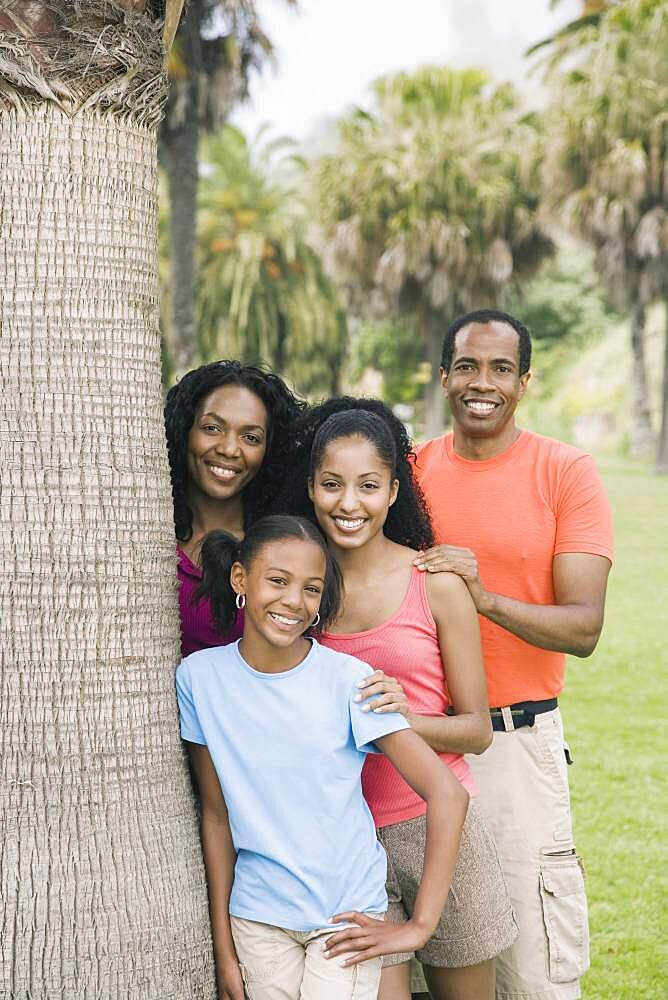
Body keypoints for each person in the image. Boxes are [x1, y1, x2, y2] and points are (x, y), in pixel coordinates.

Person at [175, 515, 469, 1000]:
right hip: (259, 917)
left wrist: (419, 926)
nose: (294, 601)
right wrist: (224, 950)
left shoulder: (348, 680)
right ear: (240, 579)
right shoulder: (198, 680)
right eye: (277, 580)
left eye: (311, 589)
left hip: (345, 916)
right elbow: (216, 814)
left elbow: (448, 793)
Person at [413, 308, 614, 1000]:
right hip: (419, 748)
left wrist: (485, 597)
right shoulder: (409, 473)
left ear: (524, 382)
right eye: (467, 365)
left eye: (502, 369)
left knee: (533, 973)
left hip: (517, 749)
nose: (483, 383)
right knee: (427, 966)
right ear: (444, 377)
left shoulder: (565, 472)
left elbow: (584, 628)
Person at [289, 401, 518, 1000]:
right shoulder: (299, 593)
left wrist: (400, 719)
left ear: (393, 491)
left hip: (438, 827)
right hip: (347, 836)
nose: (348, 503)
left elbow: (476, 728)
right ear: (310, 487)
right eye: (332, 484)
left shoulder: (434, 584)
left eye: (368, 486)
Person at [164, 360, 304, 655]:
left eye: (250, 437)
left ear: (270, 450)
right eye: (212, 428)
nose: (229, 449)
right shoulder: (139, 536)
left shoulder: (284, 544)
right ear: (184, 430)